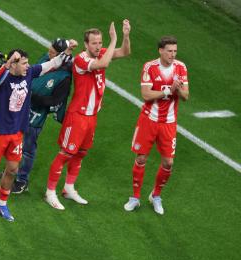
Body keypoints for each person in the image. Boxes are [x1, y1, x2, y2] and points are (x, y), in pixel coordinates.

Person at [0, 46, 74, 223]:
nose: (28, 66)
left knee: (12, 169)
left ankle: (1, 204)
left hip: (17, 133)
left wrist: (67, 52)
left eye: (28, 63)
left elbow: (51, 64)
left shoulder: (28, 73)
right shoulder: (2, 80)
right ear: (13, 65)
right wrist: (8, 63)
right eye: (24, 63)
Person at [44, 20, 131, 210]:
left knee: (81, 153)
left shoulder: (100, 53)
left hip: (92, 116)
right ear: (86, 44)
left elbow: (125, 52)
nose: (98, 46)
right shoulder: (82, 60)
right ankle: (50, 192)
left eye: (100, 42)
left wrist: (125, 36)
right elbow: (104, 62)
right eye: (94, 43)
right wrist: (114, 38)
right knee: (66, 153)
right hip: (78, 115)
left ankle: (68, 188)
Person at [124, 36, 188, 215]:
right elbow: (145, 95)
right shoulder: (149, 67)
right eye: (169, 51)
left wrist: (179, 89)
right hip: (148, 120)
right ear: (160, 51)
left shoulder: (181, 68)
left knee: (168, 162)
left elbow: (186, 96)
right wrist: (168, 90)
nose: (172, 55)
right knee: (141, 158)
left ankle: (156, 195)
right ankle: (135, 197)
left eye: (175, 51)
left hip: (168, 123)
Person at [12, 38, 75, 194]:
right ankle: (12, 170)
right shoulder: (47, 59)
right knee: (14, 142)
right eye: (49, 50)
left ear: (61, 55)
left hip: (35, 116)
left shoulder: (65, 77)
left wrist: (32, 96)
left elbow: (55, 101)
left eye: (53, 52)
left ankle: (22, 180)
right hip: (21, 109)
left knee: (27, 149)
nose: (49, 53)